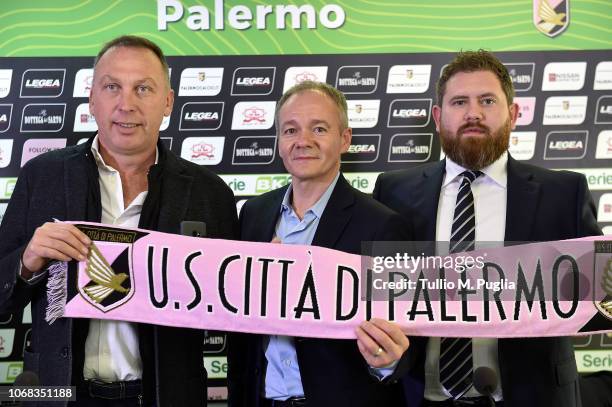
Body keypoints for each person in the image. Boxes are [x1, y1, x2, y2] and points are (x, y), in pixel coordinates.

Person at [0, 35, 238, 406]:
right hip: (58, 395)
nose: (126, 104)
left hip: (166, 396)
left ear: (168, 102)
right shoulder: (40, 177)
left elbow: (235, 307)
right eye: (112, 87)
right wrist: (27, 263)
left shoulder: (211, 193)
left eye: (143, 88)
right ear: (92, 98)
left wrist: (267, 276)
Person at [373, 50, 602, 407]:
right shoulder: (393, 191)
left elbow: (601, 295)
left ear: (512, 114)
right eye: (459, 101)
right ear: (438, 116)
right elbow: (383, 299)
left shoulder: (564, 193)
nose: (473, 113)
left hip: (533, 397)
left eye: (488, 100)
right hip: (421, 397)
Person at [227, 81, 411, 407]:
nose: (303, 141)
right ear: (279, 142)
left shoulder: (383, 226)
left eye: (319, 129)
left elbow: (405, 344)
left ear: (345, 139)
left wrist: (387, 360)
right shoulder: (254, 215)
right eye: (290, 130)